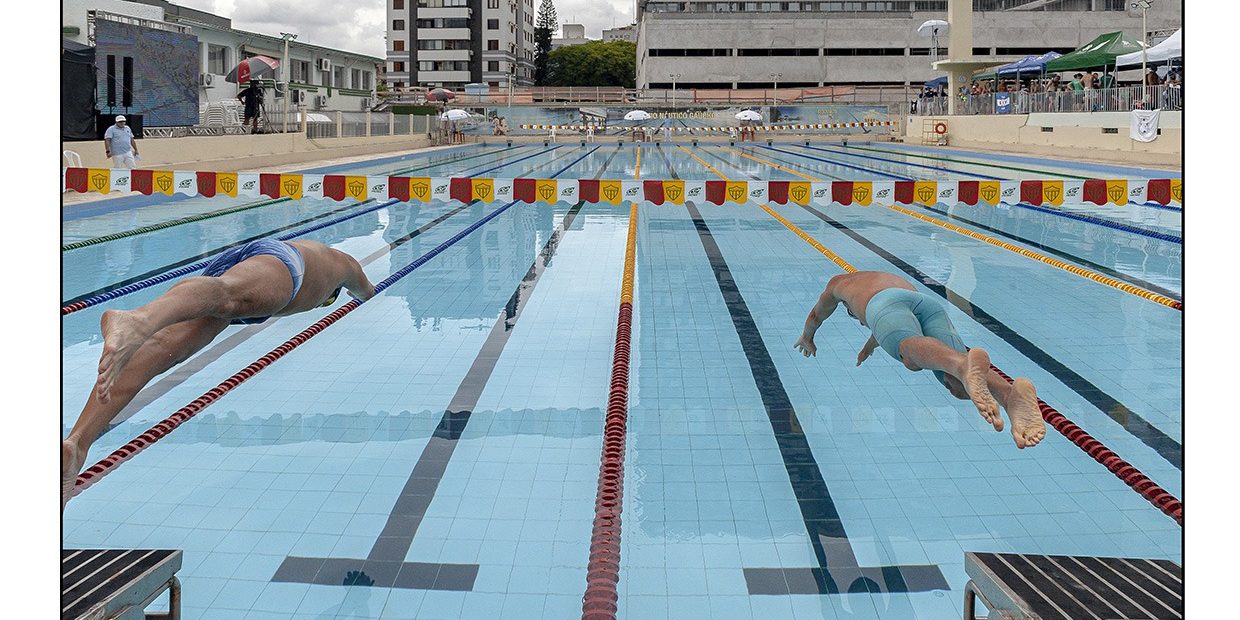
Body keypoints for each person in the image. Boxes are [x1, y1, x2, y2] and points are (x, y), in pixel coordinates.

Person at [61, 239, 376, 508]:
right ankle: (138, 320)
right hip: (286, 266)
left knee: (164, 349)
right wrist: (369, 294)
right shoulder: (341, 264)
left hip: (246, 261)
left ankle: (78, 443)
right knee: (229, 296)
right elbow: (364, 286)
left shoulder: (319, 257)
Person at [793, 271, 1046, 449]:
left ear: (849, 307)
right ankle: (1010, 395)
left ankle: (963, 366)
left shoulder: (837, 285)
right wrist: (871, 345)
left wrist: (807, 337)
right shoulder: (876, 280)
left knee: (908, 354)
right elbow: (894, 321)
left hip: (885, 305)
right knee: (956, 385)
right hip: (926, 304)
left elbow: (817, 314)